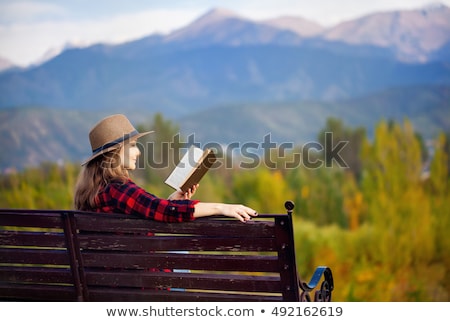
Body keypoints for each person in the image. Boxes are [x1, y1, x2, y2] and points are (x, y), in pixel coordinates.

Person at [74, 114, 258, 223]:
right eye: (132, 146)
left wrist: (172, 201)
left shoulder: (95, 192)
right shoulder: (118, 190)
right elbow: (163, 211)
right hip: (138, 282)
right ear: (114, 154)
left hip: (105, 280)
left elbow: (152, 208)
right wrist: (221, 208)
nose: (138, 152)